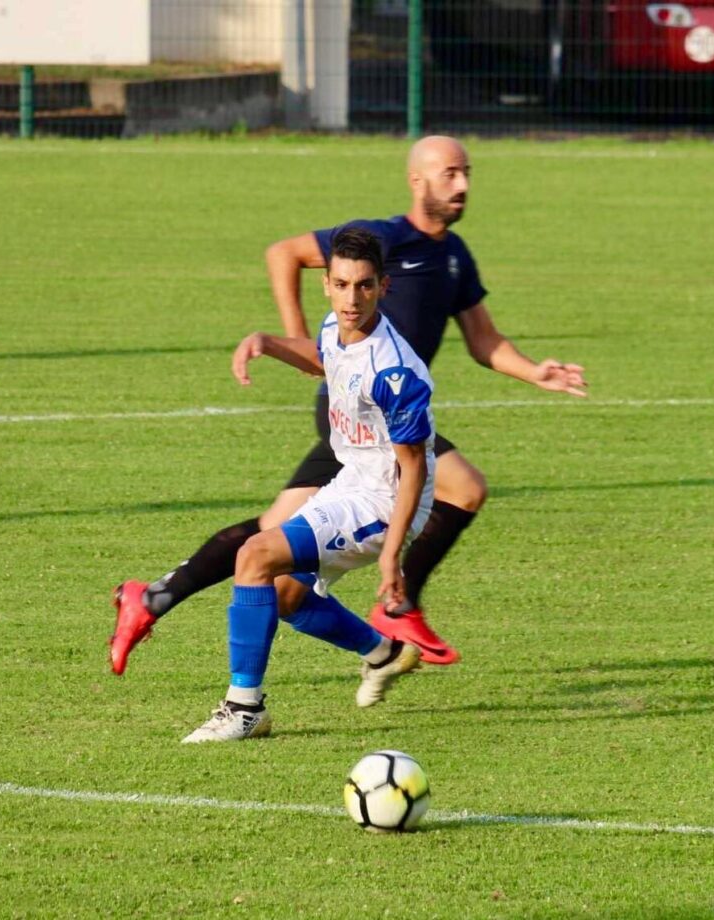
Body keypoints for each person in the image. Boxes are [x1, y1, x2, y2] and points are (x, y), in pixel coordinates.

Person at [110, 135, 586, 676]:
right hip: (365, 421)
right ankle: (397, 607)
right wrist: (299, 343)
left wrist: (533, 371)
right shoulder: (382, 241)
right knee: (460, 486)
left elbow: (483, 340)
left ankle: (153, 598)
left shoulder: (452, 255)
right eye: (450, 173)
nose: (463, 185)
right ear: (417, 181)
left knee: (275, 550)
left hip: (383, 412)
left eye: (467, 172)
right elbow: (284, 253)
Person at [183, 227, 432, 743]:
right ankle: (382, 652)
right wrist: (268, 342)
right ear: (326, 283)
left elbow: (415, 469)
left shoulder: (396, 372)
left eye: (364, 286)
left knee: (254, 556)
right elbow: (326, 359)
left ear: (383, 286)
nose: (351, 299)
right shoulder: (337, 326)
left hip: (387, 499)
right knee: (286, 594)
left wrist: (391, 558)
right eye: (341, 284)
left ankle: (244, 708)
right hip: (352, 481)